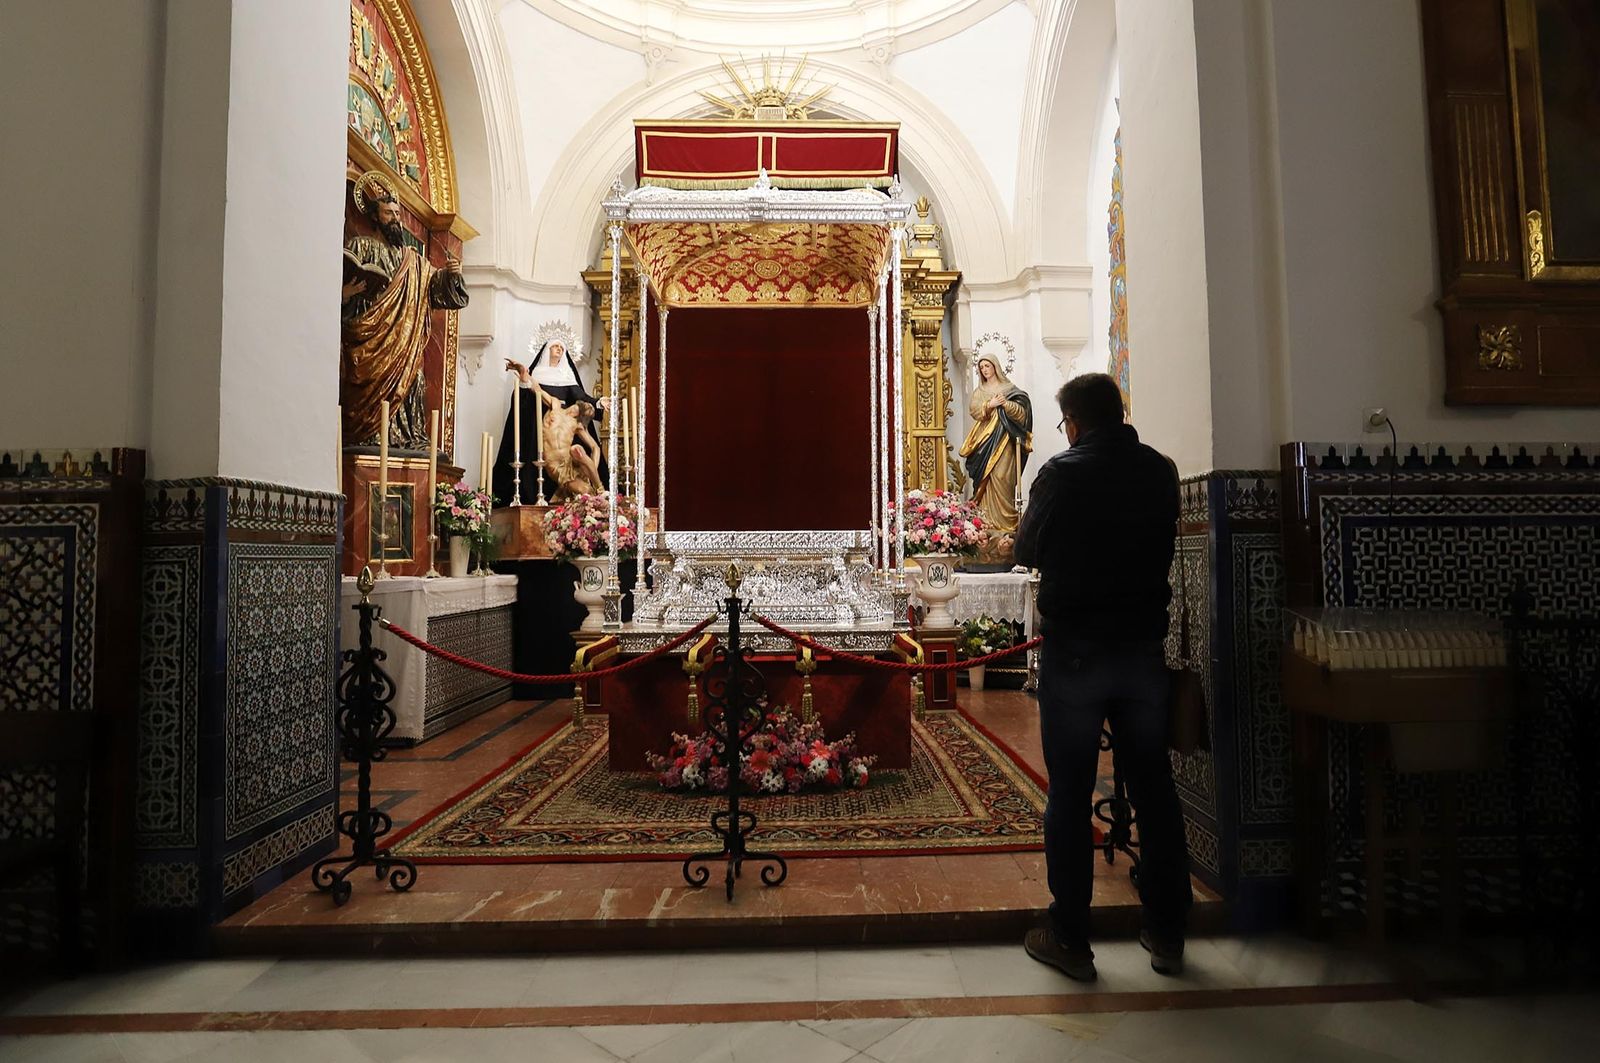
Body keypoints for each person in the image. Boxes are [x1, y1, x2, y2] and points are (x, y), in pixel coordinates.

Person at [1011, 372, 1190, 981]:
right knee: (1155, 789)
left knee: (1069, 793)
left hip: (1078, 654)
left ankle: (1070, 936)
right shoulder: (1160, 470)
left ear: (1075, 422)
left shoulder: (1062, 472)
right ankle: (1167, 932)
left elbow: (1026, 549)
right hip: (1142, 650)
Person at [340, 173, 468, 449]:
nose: (396, 218)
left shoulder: (415, 261)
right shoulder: (361, 245)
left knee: (414, 381)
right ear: (375, 216)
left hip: (405, 348)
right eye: (388, 213)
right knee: (366, 381)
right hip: (368, 338)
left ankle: (406, 438)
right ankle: (370, 435)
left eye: (398, 213)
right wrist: (346, 295)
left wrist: (452, 275)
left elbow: (439, 291)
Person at [959, 356, 1032, 563]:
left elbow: (1022, 413)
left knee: (1002, 477)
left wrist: (1005, 404)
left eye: (987, 366)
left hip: (1005, 440)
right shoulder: (980, 392)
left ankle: (1007, 524)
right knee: (986, 480)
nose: (984, 370)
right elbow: (975, 411)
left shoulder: (1010, 389)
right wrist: (989, 405)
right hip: (985, 442)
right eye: (981, 367)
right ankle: (986, 523)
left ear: (996, 367)